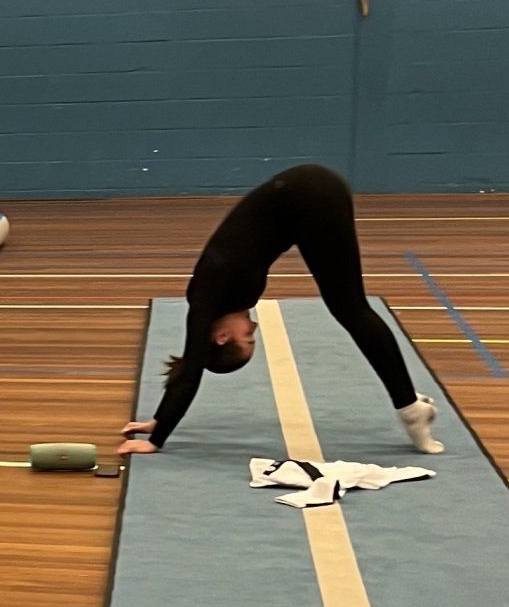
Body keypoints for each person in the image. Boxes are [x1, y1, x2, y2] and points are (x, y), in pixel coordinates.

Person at [121, 165, 442, 458]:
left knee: (351, 308)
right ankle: (409, 405)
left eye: (247, 338)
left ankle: (410, 409)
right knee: (348, 307)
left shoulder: (208, 295)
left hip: (310, 195)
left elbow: (191, 369)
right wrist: (160, 419)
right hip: (304, 200)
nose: (254, 328)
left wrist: (157, 438)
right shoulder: (226, 302)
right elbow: (190, 366)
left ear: (221, 337)